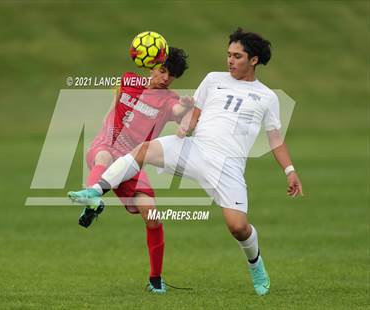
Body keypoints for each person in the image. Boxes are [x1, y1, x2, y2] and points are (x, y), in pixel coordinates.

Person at [69, 28, 303, 296]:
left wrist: (290, 170)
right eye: (228, 55)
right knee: (145, 150)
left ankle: (255, 263)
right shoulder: (213, 79)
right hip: (195, 149)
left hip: (228, 167)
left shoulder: (267, 97)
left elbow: (275, 139)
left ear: (254, 60)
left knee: (238, 227)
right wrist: (185, 128)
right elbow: (196, 114)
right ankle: (95, 191)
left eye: (237, 56)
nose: (230, 60)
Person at [73, 47, 191, 294]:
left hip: (131, 161)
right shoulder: (128, 80)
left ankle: (156, 279)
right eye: (163, 70)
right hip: (106, 145)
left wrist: (187, 106)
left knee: (152, 213)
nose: (165, 78)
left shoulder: (170, 100)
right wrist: (107, 128)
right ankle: (92, 198)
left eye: (172, 76)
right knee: (103, 156)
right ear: (152, 64)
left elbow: (180, 112)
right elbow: (115, 104)